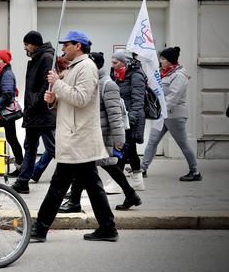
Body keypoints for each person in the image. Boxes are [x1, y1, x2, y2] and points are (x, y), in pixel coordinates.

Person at [31, 30, 118, 243]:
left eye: (66, 45)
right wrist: (53, 98)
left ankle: (39, 229)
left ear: (77, 46)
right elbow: (69, 100)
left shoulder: (87, 67)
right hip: (75, 136)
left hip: (78, 137)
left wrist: (58, 84)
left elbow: (81, 98)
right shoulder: (74, 67)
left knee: (59, 184)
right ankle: (108, 227)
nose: (63, 49)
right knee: (91, 185)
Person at [59, 52, 141, 213]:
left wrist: (119, 139)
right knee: (89, 167)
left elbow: (115, 115)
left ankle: (75, 200)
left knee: (96, 166)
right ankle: (130, 194)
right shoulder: (93, 81)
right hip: (91, 133)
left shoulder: (107, 84)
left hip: (102, 135)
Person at [141, 47, 201, 182]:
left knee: (183, 144)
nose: (160, 61)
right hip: (162, 115)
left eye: (162, 59)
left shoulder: (179, 75)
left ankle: (195, 172)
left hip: (175, 115)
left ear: (170, 61)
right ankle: (142, 169)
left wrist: (160, 110)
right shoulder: (163, 73)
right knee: (152, 141)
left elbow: (174, 96)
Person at [12, 31, 56, 194]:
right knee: (30, 147)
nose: (25, 48)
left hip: (42, 112)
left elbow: (47, 83)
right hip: (34, 112)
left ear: (35, 44)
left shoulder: (46, 58)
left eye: (26, 44)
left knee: (54, 147)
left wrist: (36, 103)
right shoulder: (37, 57)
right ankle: (23, 182)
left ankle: (72, 177)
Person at [109, 51, 146, 193]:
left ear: (125, 63)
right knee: (131, 151)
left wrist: (129, 121)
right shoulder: (120, 75)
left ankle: (117, 182)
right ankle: (137, 182)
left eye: (115, 63)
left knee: (122, 150)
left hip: (132, 119)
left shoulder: (136, 75)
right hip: (124, 117)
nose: (112, 66)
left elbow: (138, 102)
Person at [0, 49, 23, 175]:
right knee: (11, 138)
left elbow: (8, 93)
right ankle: (20, 166)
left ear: (5, 61)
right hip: (1, 113)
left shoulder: (6, 73)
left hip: (3, 113)